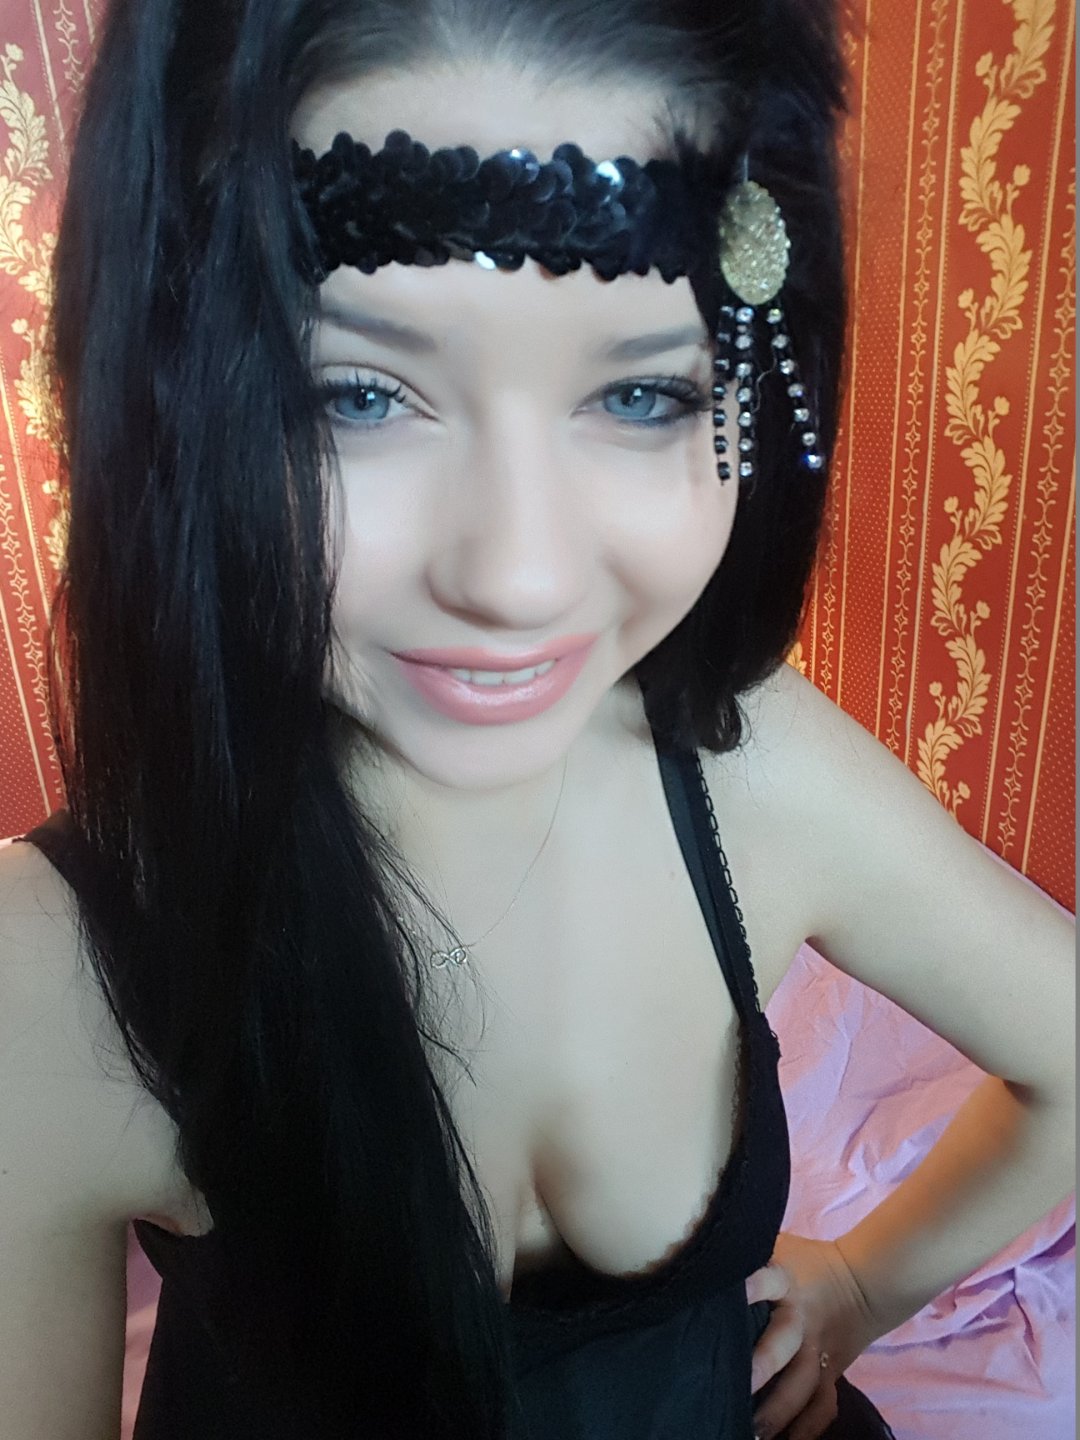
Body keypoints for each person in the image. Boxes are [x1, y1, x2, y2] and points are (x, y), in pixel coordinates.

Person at [0, 0, 1074, 1437]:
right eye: (359, 394)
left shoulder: (752, 771)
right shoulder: (51, 972)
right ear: (175, 398)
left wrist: (868, 1286)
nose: (518, 576)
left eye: (640, 394)